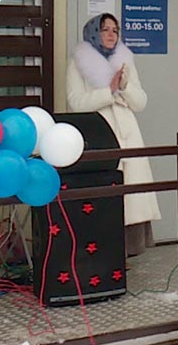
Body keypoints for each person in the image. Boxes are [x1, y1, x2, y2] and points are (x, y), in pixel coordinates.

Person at [67, 13, 160, 256]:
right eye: (105, 29)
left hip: (128, 133)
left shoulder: (125, 61)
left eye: (115, 30)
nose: (110, 34)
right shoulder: (79, 62)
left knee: (132, 197)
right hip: (100, 133)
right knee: (105, 196)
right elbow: (76, 103)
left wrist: (125, 87)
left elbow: (140, 102)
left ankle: (129, 253)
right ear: (93, 32)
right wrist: (108, 91)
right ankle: (105, 255)